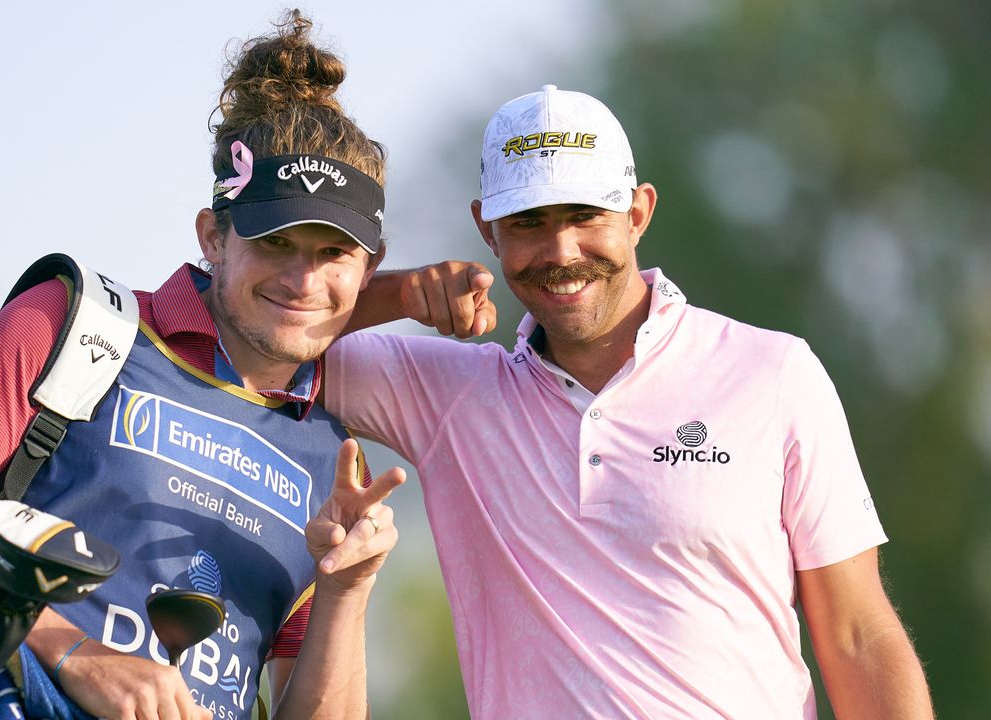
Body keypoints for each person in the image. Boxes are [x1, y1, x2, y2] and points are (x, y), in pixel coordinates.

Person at [0, 12, 404, 720]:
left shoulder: (330, 453)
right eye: (276, 241)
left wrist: (348, 589)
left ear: (367, 266)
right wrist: (72, 650)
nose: (303, 280)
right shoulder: (80, 327)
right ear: (213, 237)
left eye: (332, 253)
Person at [324, 85, 934, 718]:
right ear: (487, 228)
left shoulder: (774, 373)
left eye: (586, 215)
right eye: (529, 221)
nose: (561, 252)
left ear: (638, 213)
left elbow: (858, 634)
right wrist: (395, 294)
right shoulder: (448, 397)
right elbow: (271, 331)